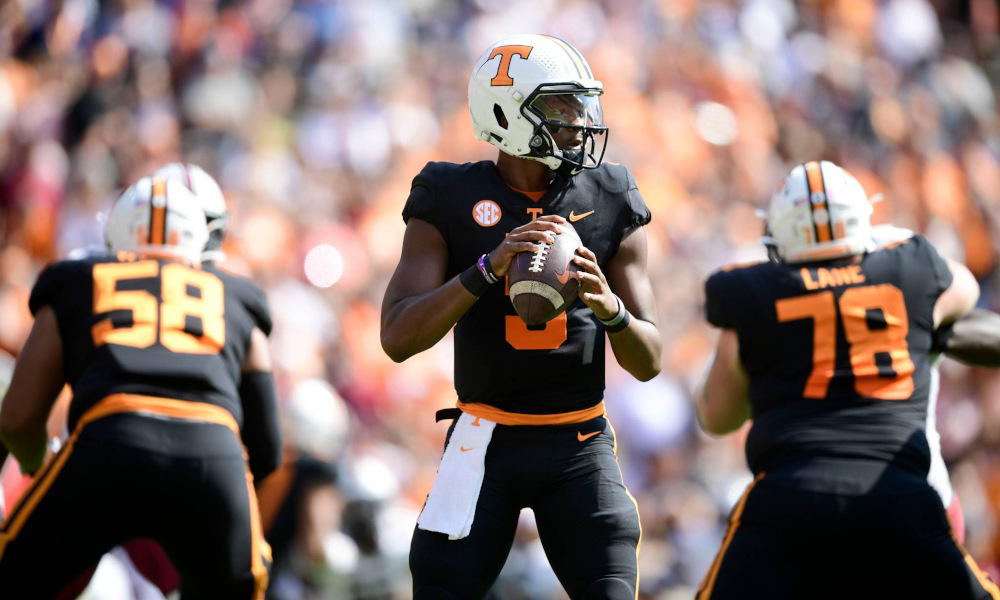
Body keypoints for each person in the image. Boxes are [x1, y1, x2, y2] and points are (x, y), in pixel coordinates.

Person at [380, 34, 662, 599]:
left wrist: (611, 311)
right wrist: (486, 269)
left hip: (578, 443)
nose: (580, 122)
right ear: (507, 114)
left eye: (580, 105)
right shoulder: (449, 193)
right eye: (561, 107)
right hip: (482, 439)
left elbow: (650, 359)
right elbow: (397, 337)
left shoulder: (609, 192)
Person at [695, 160, 997, 599]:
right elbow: (965, 291)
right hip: (900, 495)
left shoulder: (751, 293)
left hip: (788, 499)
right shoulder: (910, 269)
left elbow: (716, 418)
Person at [0, 175, 281, 598]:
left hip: (106, 444)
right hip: (211, 458)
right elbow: (267, 449)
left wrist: (36, 462)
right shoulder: (238, 295)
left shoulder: (78, 278)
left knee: (13, 579)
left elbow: (19, 417)